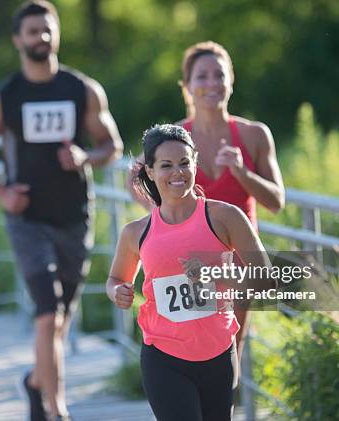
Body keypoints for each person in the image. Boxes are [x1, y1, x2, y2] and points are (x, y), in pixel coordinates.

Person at [0, 1, 122, 420]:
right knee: (47, 311)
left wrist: (86, 158)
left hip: (74, 215)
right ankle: (55, 408)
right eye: (32, 31)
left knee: (62, 314)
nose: (41, 38)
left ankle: (36, 382)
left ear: (58, 34)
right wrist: (0, 191)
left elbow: (112, 146)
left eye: (47, 30)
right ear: (18, 39)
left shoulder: (82, 89)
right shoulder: (2, 98)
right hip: (27, 218)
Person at [129, 41, 285, 357]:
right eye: (202, 76)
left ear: (231, 81)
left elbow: (276, 201)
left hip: (236, 261)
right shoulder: (171, 141)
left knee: (230, 348)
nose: (212, 83)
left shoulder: (254, 135)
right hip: (185, 260)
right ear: (186, 86)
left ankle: (224, 406)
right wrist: (152, 198)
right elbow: (139, 187)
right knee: (186, 346)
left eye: (219, 75)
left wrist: (242, 173)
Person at [108, 124, 270, 421]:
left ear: (195, 164)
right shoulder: (136, 233)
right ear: (151, 172)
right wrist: (117, 291)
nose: (177, 172)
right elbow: (116, 279)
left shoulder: (225, 217)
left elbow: (264, 274)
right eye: (166, 165)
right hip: (163, 358)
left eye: (184, 163)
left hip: (219, 354)